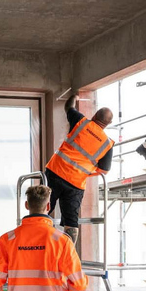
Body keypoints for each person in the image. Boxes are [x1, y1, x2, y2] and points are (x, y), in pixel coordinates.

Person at [44, 95, 115, 243]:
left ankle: (37, 244)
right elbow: (103, 171)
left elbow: (68, 107)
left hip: (56, 171)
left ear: (94, 115)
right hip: (76, 183)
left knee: (43, 208)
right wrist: (84, 171)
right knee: (71, 220)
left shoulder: (81, 121)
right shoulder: (107, 145)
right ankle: (68, 255)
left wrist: (74, 96)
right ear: (109, 124)